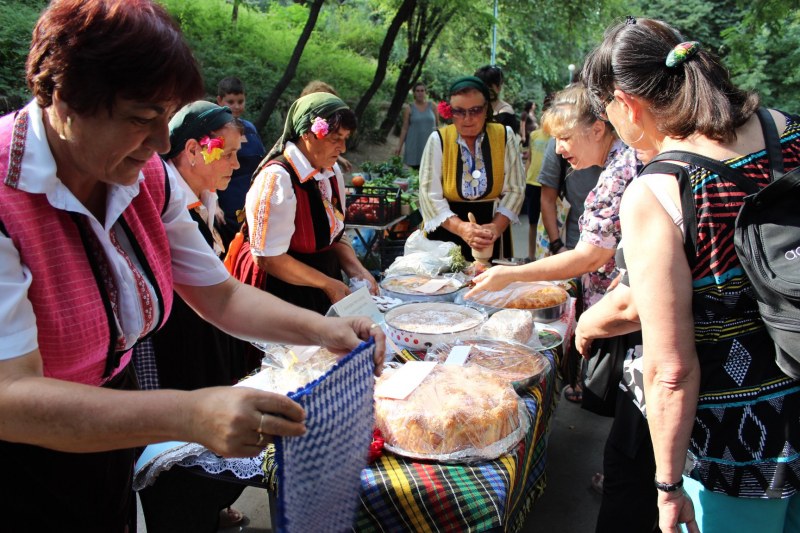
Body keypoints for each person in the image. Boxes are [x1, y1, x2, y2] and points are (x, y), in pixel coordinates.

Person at [0, 2, 384, 531]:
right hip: (23, 463)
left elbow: (220, 295)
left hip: (109, 433)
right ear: (65, 99)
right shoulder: (6, 194)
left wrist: (326, 330)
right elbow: (10, 398)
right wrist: (189, 414)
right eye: (142, 119)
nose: (162, 144)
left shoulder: (141, 179)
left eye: (167, 116)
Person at [583, 16, 800, 533]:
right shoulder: (791, 130)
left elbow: (672, 370)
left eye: (607, 113)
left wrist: (667, 484)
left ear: (626, 103)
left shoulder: (661, 190)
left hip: (742, 452)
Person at [470, 82, 631, 402]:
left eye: (565, 138)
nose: (558, 149)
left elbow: (588, 257)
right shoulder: (623, 159)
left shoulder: (618, 171)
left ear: (598, 129)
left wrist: (510, 274)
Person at [231, 92, 379, 315]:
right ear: (308, 134)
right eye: (334, 139)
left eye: (345, 139)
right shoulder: (277, 179)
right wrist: (327, 284)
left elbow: (334, 233)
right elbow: (268, 258)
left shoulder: (330, 172)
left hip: (323, 283)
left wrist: (356, 269)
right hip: (282, 290)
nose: (343, 148)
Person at [418, 76, 525, 261]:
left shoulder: (504, 136)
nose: (467, 119)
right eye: (459, 111)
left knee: (490, 285)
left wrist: (496, 227)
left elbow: (516, 189)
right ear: (450, 112)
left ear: (486, 110)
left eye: (475, 110)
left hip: (491, 232)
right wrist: (461, 228)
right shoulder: (438, 140)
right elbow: (429, 195)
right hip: (446, 232)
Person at [214, 76, 267, 249]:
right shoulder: (214, 132)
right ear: (220, 101)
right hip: (226, 205)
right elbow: (208, 169)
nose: (236, 107)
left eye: (240, 101)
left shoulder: (250, 128)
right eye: (230, 101)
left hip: (253, 204)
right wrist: (213, 203)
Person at [395, 82, 438, 169]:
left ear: (425, 92)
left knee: (430, 172)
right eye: (417, 91)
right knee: (415, 175)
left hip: (430, 146)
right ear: (414, 93)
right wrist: (399, 146)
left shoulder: (432, 106)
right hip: (414, 146)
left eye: (422, 90)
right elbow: (404, 128)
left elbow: (436, 126)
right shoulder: (409, 108)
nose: (420, 93)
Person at [474, 65, 520, 134]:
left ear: (499, 86)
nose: (487, 90)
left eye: (490, 86)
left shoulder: (505, 113)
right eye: (484, 86)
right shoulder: (473, 108)